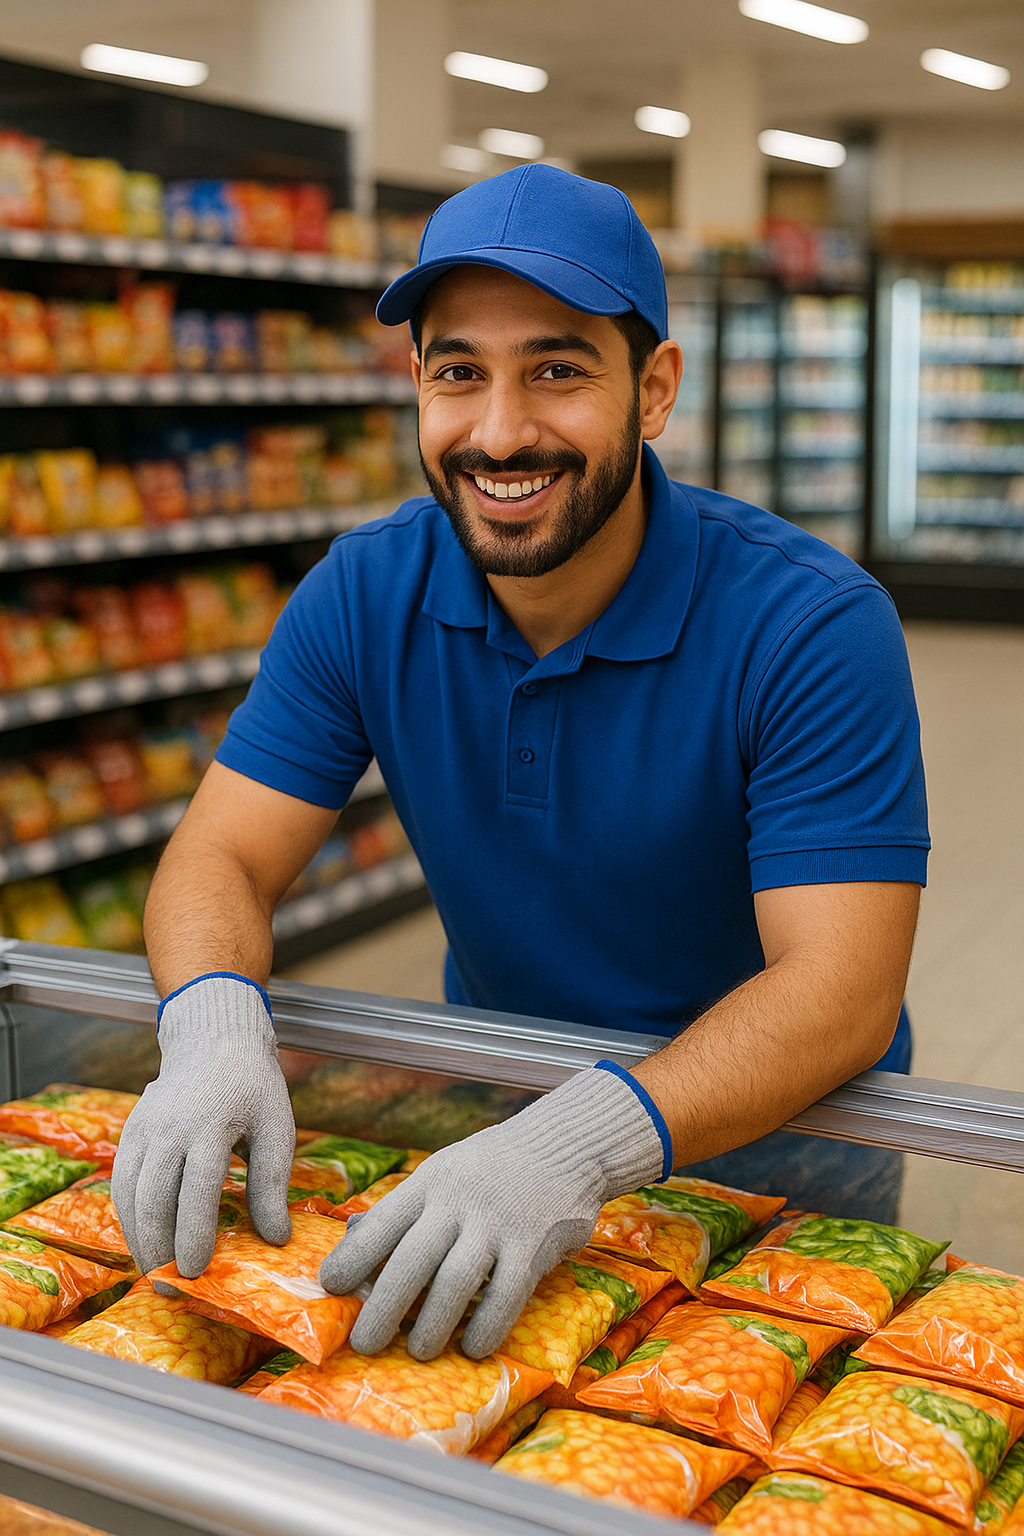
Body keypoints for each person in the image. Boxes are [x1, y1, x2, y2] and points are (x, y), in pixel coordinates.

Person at [112, 165, 928, 1365]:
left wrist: (581, 1142)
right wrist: (214, 1020)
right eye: (459, 374)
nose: (499, 433)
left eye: (556, 370)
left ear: (652, 391)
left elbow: (843, 989)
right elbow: (221, 851)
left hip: (781, 1160)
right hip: (482, 1136)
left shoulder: (809, 623)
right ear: (417, 388)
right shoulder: (363, 589)